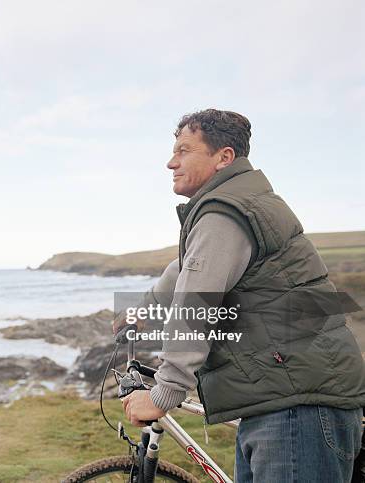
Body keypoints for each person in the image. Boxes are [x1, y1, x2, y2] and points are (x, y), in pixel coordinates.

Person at [114, 109, 365, 482]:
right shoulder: (231, 206)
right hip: (283, 398)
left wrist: (164, 392)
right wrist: (137, 314)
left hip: (296, 404)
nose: (171, 162)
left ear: (223, 157)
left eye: (184, 151)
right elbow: (184, 272)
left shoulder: (225, 212)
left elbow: (195, 303)